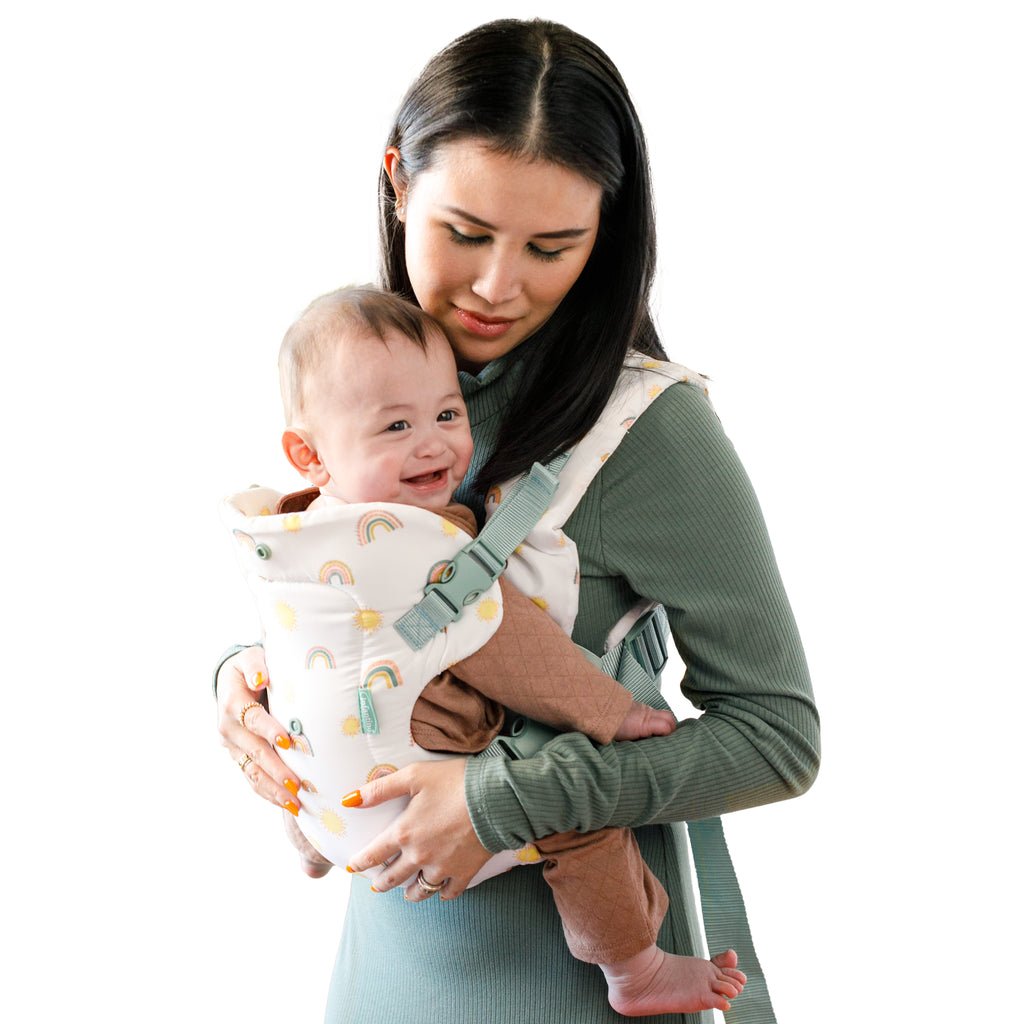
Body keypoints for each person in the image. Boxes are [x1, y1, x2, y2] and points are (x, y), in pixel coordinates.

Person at [216, 18, 819, 1024]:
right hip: (382, 977)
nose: (498, 287)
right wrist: (242, 687)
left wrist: (503, 797)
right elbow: (349, 597)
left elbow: (777, 739)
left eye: (551, 247)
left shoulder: (649, 430)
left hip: (579, 989)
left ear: (605, 231)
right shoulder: (367, 380)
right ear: (398, 184)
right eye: (464, 233)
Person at [225, 284, 746, 1015]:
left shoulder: (293, 528)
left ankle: (310, 845)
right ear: (308, 453)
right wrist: (613, 712)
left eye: (447, 414)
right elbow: (506, 644)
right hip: (412, 791)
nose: (433, 444)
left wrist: (236, 673)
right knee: (574, 803)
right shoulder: (414, 544)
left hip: (329, 810)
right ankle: (635, 968)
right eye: (397, 426)